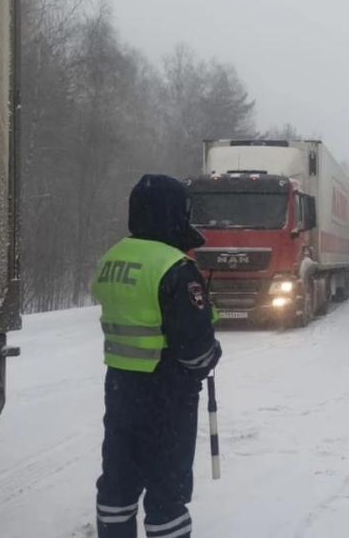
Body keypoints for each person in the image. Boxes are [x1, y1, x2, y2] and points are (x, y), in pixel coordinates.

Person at [91, 174, 222, 538]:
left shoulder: (111, 259)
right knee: (167, 490)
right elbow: (195, 351)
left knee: (118, 477)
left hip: (120, 387)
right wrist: (212, 354)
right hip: (167, 393)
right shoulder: (175, 268)